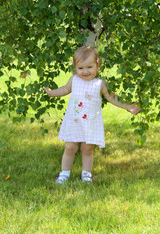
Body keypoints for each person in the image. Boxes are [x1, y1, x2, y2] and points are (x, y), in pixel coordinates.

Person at [43, 46, 141, 184]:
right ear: (75, 67)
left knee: (87, 148)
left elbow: (112, 98)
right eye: (81, 68)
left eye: (89, 67)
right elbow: (64, 90)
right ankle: (64, 173)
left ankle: (86, 173)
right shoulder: (74, 80)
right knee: (70, 147)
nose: (85, 71)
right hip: (74, 121)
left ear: (97, 65)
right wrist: (51, 92)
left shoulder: (100, 84)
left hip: (90, 123)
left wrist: (127, 106)